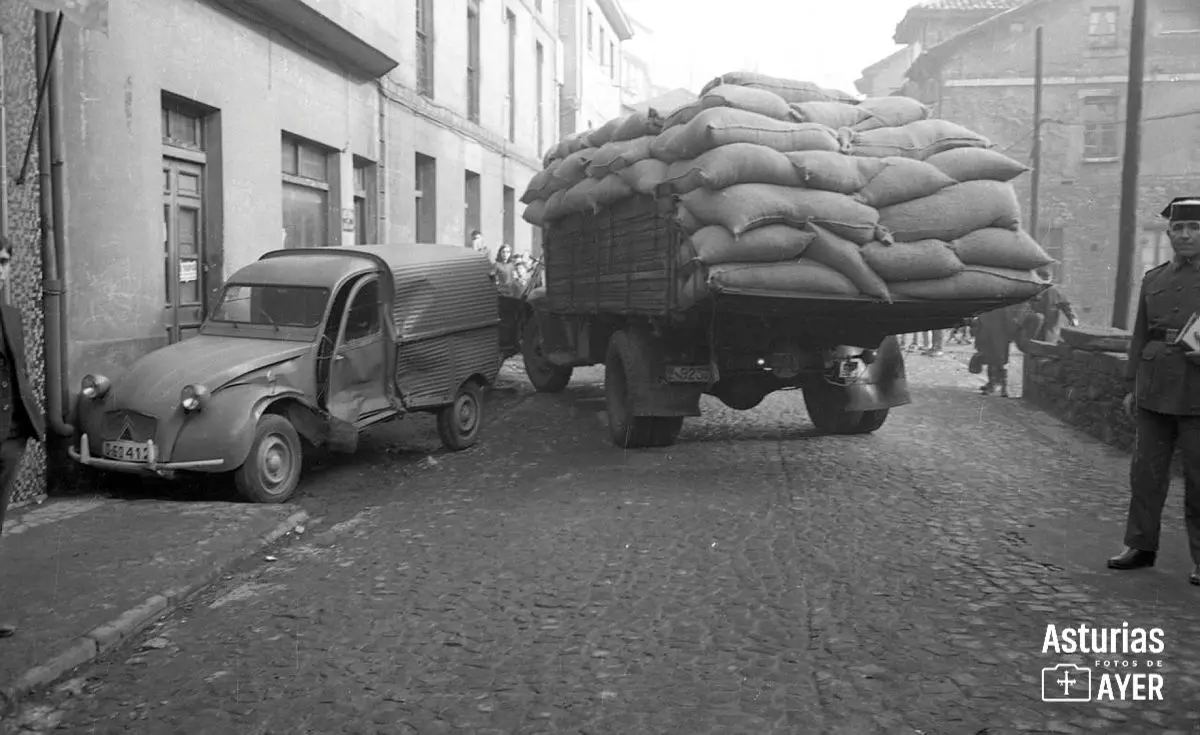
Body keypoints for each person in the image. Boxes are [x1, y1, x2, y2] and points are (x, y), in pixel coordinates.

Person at [1110, 197, 1200, 586]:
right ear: (1168, 234)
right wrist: (1131, 386)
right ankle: (1140, 545)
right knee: (1145, 474)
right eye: (1178, 229)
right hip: (1152, 388)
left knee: (1199, 478)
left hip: (1198, 392)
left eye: (1194, 228)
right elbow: (1140, 334)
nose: (1185, 235)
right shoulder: (1154, 278)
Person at [0, 234, 47, 638]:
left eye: (3, 262)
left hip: (10, 437)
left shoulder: (11, 315)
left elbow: (21, 374)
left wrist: (29, 425)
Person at [974, 303, 1023, 396]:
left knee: (996, 361)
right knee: (997, 361)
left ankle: (997, 386)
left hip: (997, 335)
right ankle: (999, 386)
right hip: (993, 335)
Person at [1023, 269, 1080, 344]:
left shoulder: (1055, 292)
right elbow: (1023, 308)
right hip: (1034, 330)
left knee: (1048, 349)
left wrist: (1073, 318)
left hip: (1050, 329)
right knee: (1033, 349)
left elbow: (1066, 305)